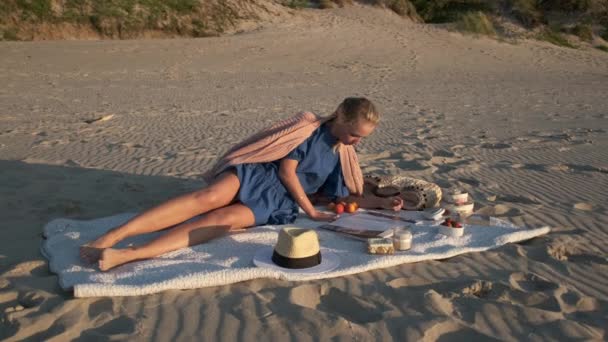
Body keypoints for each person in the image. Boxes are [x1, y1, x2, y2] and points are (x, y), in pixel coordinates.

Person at [80, 97, 403, 271]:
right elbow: (287, 172)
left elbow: (343, 196)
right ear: (339, 118)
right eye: (355, 134)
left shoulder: (341, 153)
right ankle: (115, 234)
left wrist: (384, 204)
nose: (357, 142)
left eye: (362, 138)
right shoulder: (308, 130)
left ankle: (130, 255)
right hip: (260, 174)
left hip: (278, 202)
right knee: (209, 197)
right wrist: (311, 212)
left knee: (219, 221)